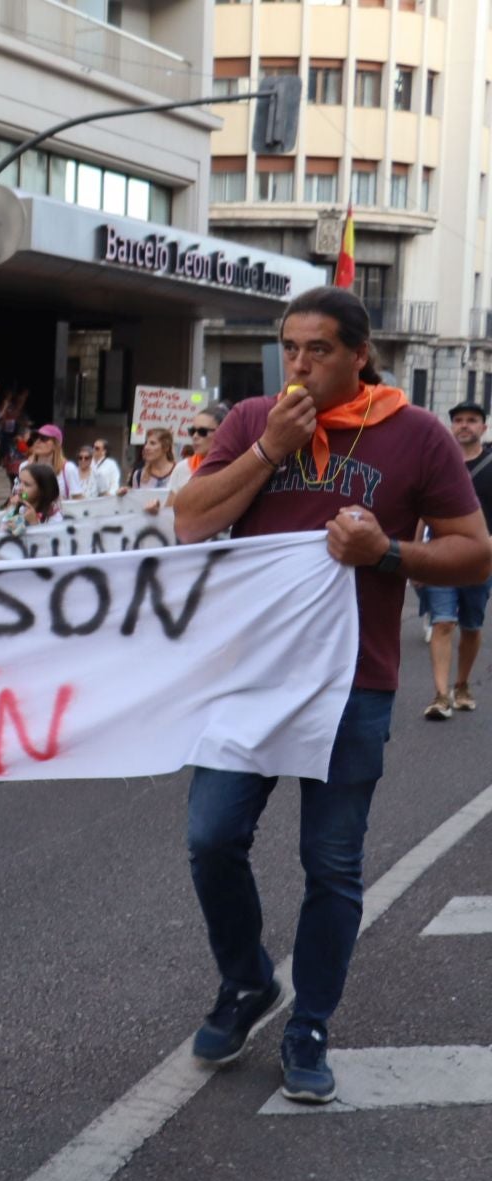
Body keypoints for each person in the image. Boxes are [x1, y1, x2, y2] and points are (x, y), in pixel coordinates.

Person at [173, 286, 490, 1104]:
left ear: (360, 355)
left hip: (354, 683)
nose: (300, 364)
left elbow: (474, 552)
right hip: (248, 677)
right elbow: (190, 522)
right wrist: (268, 450)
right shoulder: (255, 420)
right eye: (290, 347)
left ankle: (309, 1023)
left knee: (332, 864)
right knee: (211, 838)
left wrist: (388, 554)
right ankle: (247, 981)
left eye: (318, 350)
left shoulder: (416, 435)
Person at [418, 402, 492, 719]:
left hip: (479, 560)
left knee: (471, 627)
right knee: (443, 622)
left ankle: (461, 685)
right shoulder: (439, 465)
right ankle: (440, 696)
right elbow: (421, 510)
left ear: (483, 428)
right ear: (451, 427)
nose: (464, 425)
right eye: (458, 420)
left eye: (472, 420)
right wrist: (412, 553)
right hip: (441, 555)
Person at [166, 407, 221, 505]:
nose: (195, 436)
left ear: (222, 432)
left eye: (202, 431)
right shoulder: (182, 467)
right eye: (192, 431)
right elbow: (169, 508)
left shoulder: (233, 467)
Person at [19, 424, 83, 500]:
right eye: (35, 438)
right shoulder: (24, 466)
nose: (37, 441)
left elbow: (77, 498)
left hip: (61, 507)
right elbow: (22, 496)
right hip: (31, 508)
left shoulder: (68, 468)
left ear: (55, 444)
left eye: (44, 438)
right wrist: (26, 497)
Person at [0, 461, 61, 530]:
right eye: (19, 482)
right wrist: (11, 509)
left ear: (42, 490)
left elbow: (50, 536)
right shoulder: (22, 509)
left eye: (27, 484)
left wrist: (33, 523)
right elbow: (3, 530)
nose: (19, 488)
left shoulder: (54, 517)